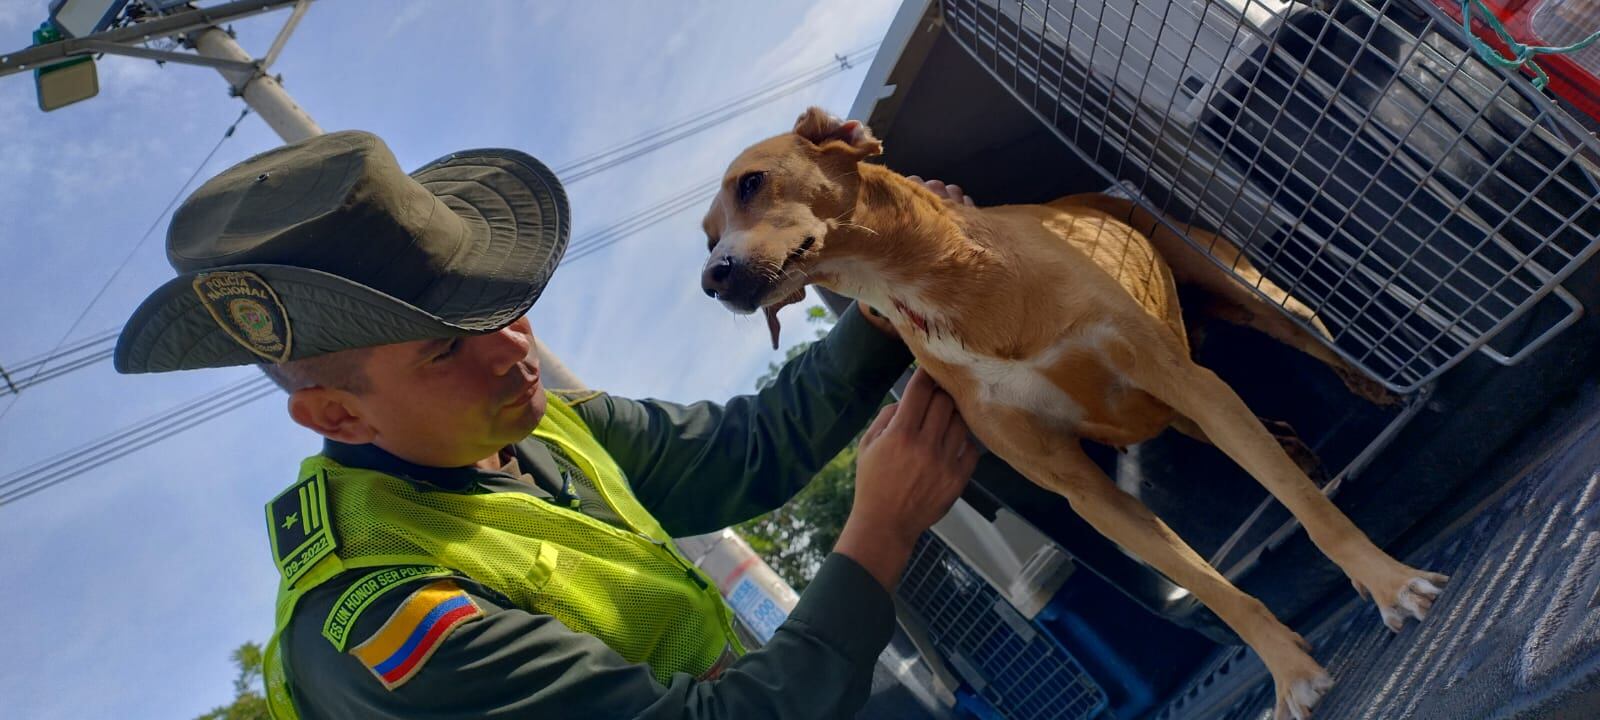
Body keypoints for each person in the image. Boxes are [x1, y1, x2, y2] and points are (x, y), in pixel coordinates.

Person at [113, 130, 978, 719]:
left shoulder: (538, 429)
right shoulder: (386, 621)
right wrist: (880, 532)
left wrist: (879, 312)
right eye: (445, 350)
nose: (514, 351)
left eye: (504, 309)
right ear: (335, 413)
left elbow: (742, 451)